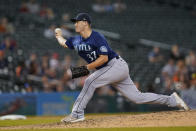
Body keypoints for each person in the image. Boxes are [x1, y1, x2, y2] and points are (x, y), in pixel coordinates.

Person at [55, 13, 189, 123]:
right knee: (137, 98)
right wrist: (58, 35)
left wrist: (85, 68)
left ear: (85, 23)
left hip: (115, 65)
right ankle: (172, 100)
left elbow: (104, 58)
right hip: (107, 70)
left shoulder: (96, 37)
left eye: (77, 21)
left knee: (90, 81)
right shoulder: (75, 40)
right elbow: (64, 43)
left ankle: (77, 113)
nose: (75, 24)